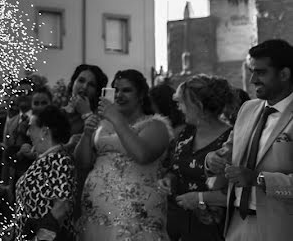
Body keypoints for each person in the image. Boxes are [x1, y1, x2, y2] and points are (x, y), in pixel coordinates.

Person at [204, 39, 293, 240]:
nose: (252, 80)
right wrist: (212, 160)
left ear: (284, 74)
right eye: (252, 71)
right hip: (237, 223)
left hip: (282, 228)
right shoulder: (248, 109)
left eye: (261, 72)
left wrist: (258, 179)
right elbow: (228, 151)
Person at [74, 69, 172, 240]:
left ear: (141, 94)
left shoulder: (156, 126)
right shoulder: (103, 124)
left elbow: (142, 155)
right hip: (96, 214)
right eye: (116, 90)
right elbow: (83, 162)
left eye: (126, 90)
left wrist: (115, 118)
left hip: (135, 218)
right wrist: (87, 134)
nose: (119, 95)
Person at [158, 75, 233, 241]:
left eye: (183, 102)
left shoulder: (231, 139)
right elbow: (175, 168)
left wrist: (199, 198)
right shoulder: (185, 133)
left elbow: (237, 191)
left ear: (198, 105)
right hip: (179, 226)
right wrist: (168, 179)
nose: (179, 108)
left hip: (214, 230)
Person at [14, 106, 76, 241]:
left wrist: (40, 237)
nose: (28, 133)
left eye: (31, 128)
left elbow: (62, 205)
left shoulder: (59, 159)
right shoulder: (46, 159)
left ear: (44, 131)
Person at [62, 64, 108, 149]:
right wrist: (68, 145)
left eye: (91, 85)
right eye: (81, 81)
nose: (85, 87)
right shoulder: (59, 112)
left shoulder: (101, 115)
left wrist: (86, 114)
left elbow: (100, 142)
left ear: (97, 91)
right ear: (73, 83)